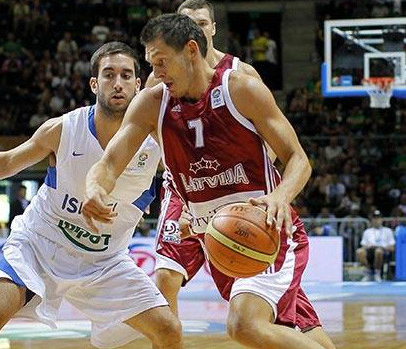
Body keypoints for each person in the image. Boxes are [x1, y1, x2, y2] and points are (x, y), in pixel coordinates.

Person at [0, 42, 182, 349]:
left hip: (105, 261)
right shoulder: (63, 128)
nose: (117, 83)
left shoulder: (156, 142)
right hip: (40, 247)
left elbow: (191, 178)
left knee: (168, 329)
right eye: (108, 75)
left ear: (137, 84)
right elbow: (7, 162)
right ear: (94, 83)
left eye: (125, 75)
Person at [83, 14, 335, 349]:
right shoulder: (151, 104)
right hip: (218, 239)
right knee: (295, 328)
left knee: (244, 325)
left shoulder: (241, 89)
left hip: (268, 234)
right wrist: (95, 188)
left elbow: (298, 159)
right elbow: (110, 163)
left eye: (161, 63)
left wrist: (280, 197)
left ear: (190, 50)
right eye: (151, 64)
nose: (155, 75)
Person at [144, 0, 279, 319]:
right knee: (164, 278)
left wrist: (263, 191)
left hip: (237, 190)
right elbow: (143, 140)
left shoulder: (241, 75)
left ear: (213, 28)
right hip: (185, 192)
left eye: (202, 23)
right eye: (187, 23)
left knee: (241, 294)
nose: (195, 29)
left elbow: (273, 142)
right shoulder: (158, 82)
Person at [356, 209, 395, 282]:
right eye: (374, 218)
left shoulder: (388, 231)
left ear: (381, 219)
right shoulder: (367, 232)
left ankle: (377, 273)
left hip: (383, 251)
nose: (376, 220)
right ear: (372, 220)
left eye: (378, 218)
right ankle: (368, 272)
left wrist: (383, 247)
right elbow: (363, 245)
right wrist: (369, 246)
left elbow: (392, 247)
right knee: (359, 251)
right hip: (370, 250)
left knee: (378, 251)